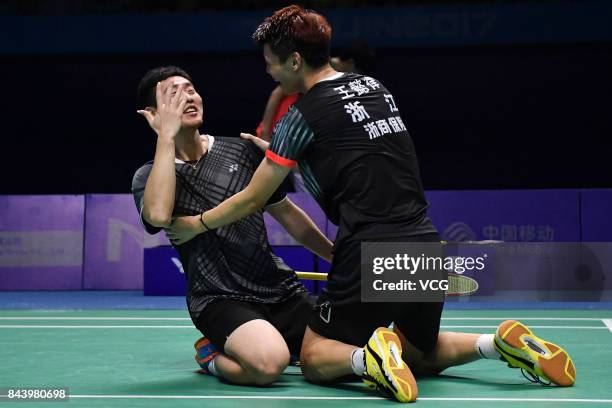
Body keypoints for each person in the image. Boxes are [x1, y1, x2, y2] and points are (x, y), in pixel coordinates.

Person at [164, 6, 576, 402]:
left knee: (313, 357)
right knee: (419, 354)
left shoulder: (301, 116)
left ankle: (368, 358)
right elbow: (352, 152)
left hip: (369, 245)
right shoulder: (373, 88)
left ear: (293, 61)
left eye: (270, 62)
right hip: (423, 240)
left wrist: (198, 223)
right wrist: (280, 152)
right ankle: (498, 343)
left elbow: (254, 196)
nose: (268, 70)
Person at [131, 66, 333, 386]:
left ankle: (276, 341)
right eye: (174, 94)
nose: (188, 96)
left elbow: (289, 216)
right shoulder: (149, 176)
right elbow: (157, 215)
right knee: (269, 365)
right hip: (218, 299)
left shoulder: (241, 149)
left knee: (342, 347)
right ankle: (212, 357)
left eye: (191, 88)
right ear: (154, 114)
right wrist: (166, 138)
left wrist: (336, 256)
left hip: (278, 289)